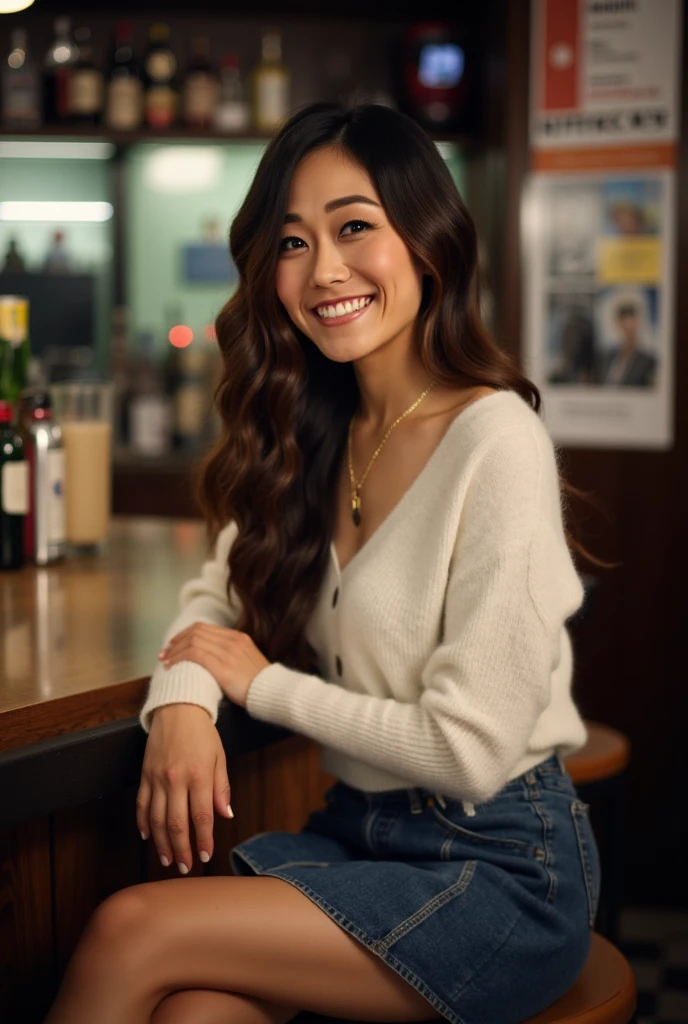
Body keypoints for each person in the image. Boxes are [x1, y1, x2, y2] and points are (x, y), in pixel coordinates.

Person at [45, 102, 605, 1024]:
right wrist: (185, 702)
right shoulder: (315, 431)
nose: (324, 270)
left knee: (130, 927)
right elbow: (213, 594)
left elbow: (467, 752)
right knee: (194, 1010)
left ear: (425, 241)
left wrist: (260, 687)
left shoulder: (496, 439)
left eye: (355, 227)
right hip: (361, 833)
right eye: (293, 243)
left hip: (504, 864)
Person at [597, 300, 657, 387]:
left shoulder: (647, 361)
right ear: (619, 325)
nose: (629, 332)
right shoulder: (607, 357)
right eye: (625, 328)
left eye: (632, 328)